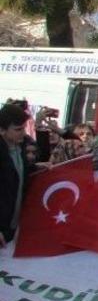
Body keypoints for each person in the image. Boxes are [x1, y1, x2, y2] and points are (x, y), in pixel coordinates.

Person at [1, 103, 32, 245]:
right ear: (2, 130)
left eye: (24, 128)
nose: (23, 133)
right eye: (18, 129)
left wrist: (36, 167)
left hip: (12, 225)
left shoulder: (19, 147)